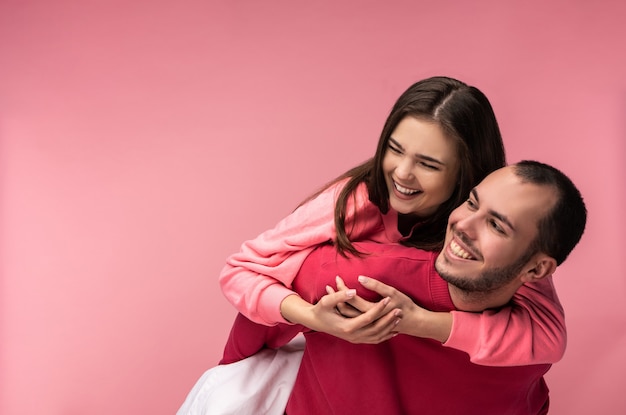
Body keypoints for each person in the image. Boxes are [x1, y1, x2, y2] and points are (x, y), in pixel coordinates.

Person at [219, 76, 565, 367]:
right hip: (304, 353)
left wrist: (421, 322)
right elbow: (241, 272)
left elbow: (548, 335)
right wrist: (311, 316)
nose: (402, 173)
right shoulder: (356, 200)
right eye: (395, 149)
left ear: (467, 173)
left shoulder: (487, 227)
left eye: (428, 164)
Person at [277, 160, 587, 414]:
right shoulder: (357, 277)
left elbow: (542, 365)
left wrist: (417, 321)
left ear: (537, 269)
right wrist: (311, 317)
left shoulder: (533, 336)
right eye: (471, 202)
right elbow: (262, 298)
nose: (463, 224)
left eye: (495, 225)